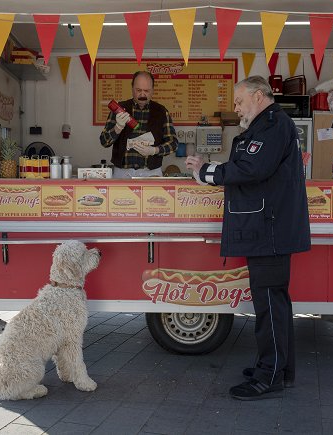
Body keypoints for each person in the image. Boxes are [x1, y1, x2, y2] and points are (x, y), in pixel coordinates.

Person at [185, 76, 310, 400]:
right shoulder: (270, 125)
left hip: (270, 230)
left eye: (240, 101)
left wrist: (206, 172)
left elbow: (251, 169)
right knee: (274, 304)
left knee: (269, 304)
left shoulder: (273, 126)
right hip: (269, 229)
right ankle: (277, 368)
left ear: (258, 96)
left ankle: (270, 375)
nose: (236, 108)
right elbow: (249, 166)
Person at [99, 71, 178, 178]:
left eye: (146, 91)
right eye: (138, 90)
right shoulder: (120, 109)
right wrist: (118, 128)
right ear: (132, 88)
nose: (142, 94)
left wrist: (155, 150)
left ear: (153, 90)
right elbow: (104, 142)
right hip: (122, 173)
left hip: (151, 173)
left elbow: (173, 143)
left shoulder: (161, 111)